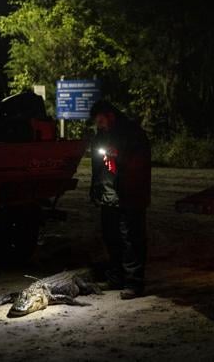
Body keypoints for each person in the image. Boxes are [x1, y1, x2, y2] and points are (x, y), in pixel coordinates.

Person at [89, 100, 151, 299]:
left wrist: (119, 157)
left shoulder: (132, 133)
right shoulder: (101, 136)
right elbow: (97, 165)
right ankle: (116, 278)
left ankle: (134, 283)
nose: (99, 125)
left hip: (130, 195)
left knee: (131, 239)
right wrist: (96, 188)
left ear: (110, 115)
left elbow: (140, 162)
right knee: (111, 237)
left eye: (101, 121)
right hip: (108, 196)